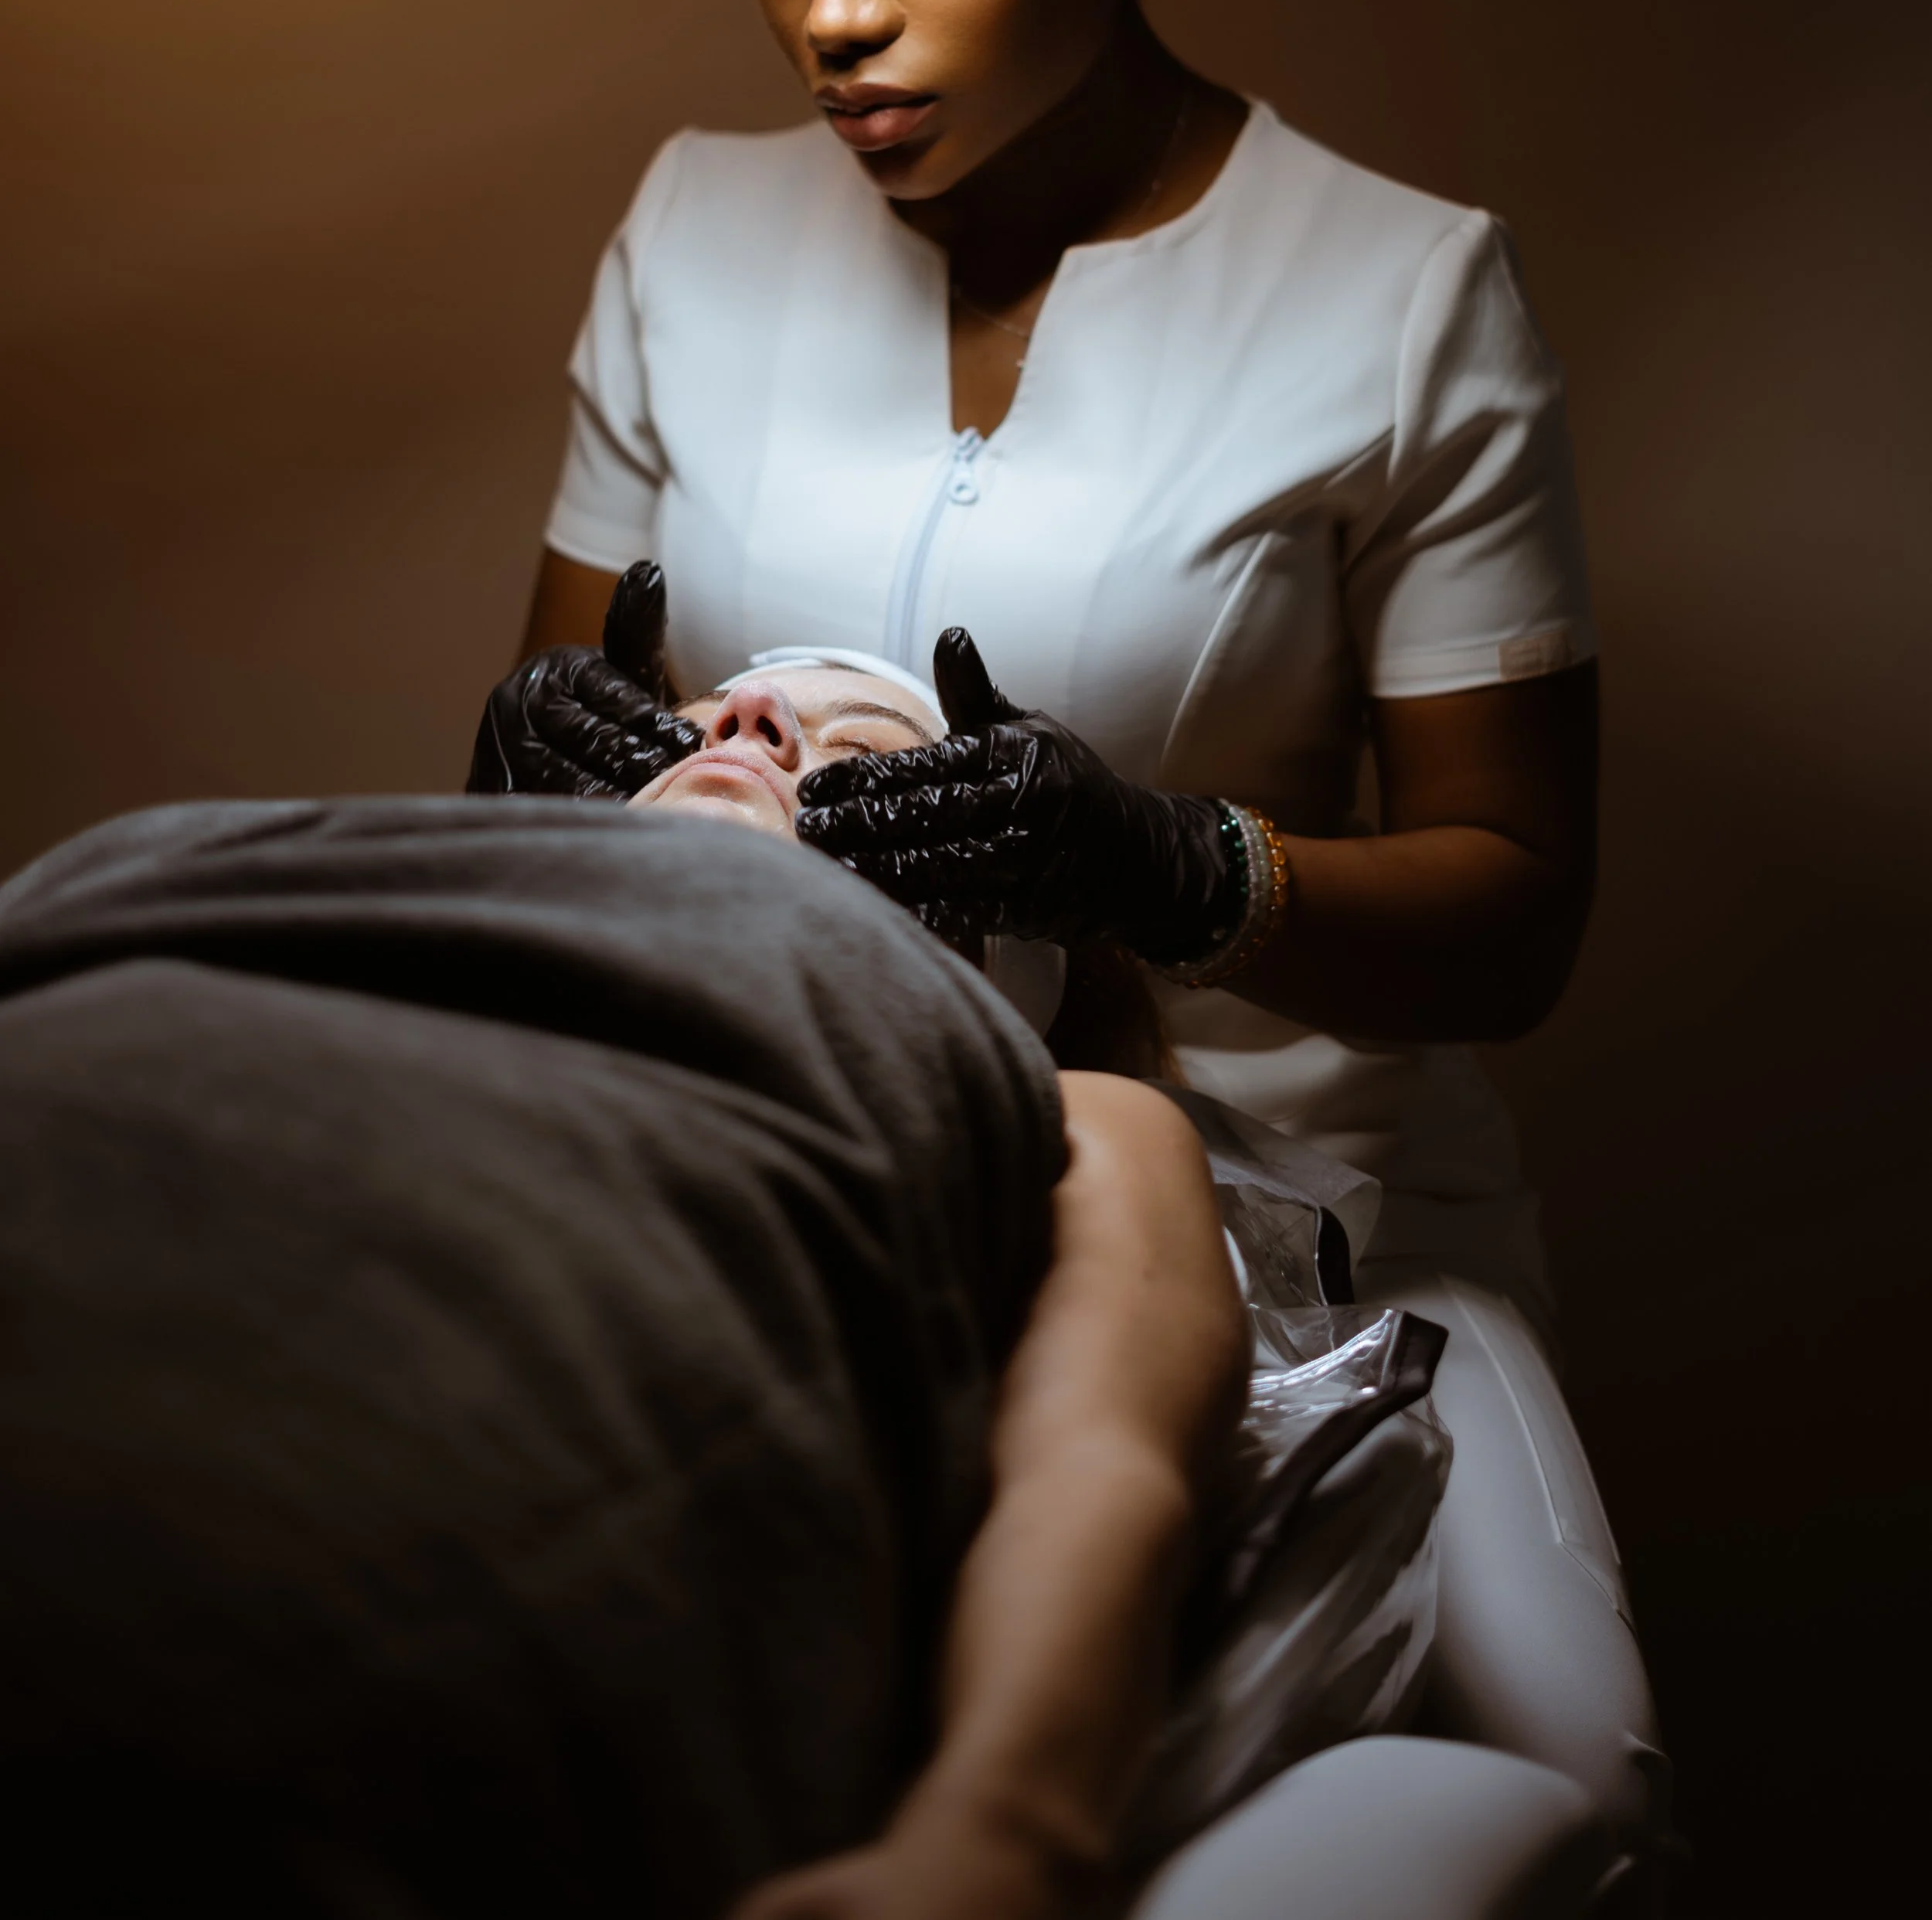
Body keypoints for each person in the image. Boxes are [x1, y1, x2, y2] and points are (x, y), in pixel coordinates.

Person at [474, 0, 1668, 1895]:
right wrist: (531, 767)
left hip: (1311, 1214)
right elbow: (545, 750)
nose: (834, 15)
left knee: (1581, 1782)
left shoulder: (1404, 298)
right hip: (820, 1169)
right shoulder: (690, 234)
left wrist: (1171, 866)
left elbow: (1512, 915)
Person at [0, 753, 1247, 1918]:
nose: (745, 721)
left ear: (999, 964)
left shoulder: (1069, 1108)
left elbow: (1098, 1461)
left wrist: (1006, 1829)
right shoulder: (265, 851)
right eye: (693, 726)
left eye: (863, 756)